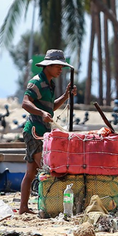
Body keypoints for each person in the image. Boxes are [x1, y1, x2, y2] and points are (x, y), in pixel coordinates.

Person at [18, 48, 77, 214]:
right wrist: (41, 113)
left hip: (44, 132)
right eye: (58, 66)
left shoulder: (50, 84)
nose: (60, 70)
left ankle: (23, 208)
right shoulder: (36, 82)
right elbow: (25, 103)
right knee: (46, 168)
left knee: (30, 172)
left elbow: (50, 109)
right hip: (35, 131)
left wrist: (65, 96)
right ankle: (50, 205)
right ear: (48, 66)